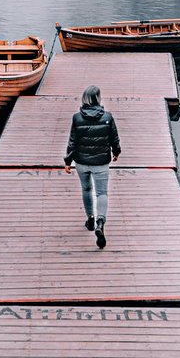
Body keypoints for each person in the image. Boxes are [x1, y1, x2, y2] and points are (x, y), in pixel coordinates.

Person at [64, 84, 120, 249]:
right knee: (102, 193)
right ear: (98, 99)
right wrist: (116, 152)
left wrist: (68, 161)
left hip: (81, 162)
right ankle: (100, 222)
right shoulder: (108, 117)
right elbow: (114, 139)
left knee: (87, 190)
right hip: (101, 162)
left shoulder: (76, 118)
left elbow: (72, 142)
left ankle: (90, 219)